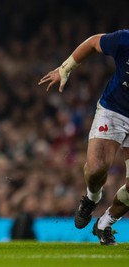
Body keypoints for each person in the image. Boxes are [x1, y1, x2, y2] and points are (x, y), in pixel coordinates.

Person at [38, 29, 129, 246]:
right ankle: (91, 197)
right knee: (97, 169)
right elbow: (93, 42)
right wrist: (65, 69)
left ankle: (104, 224)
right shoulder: (125, 39)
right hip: (114, 110)